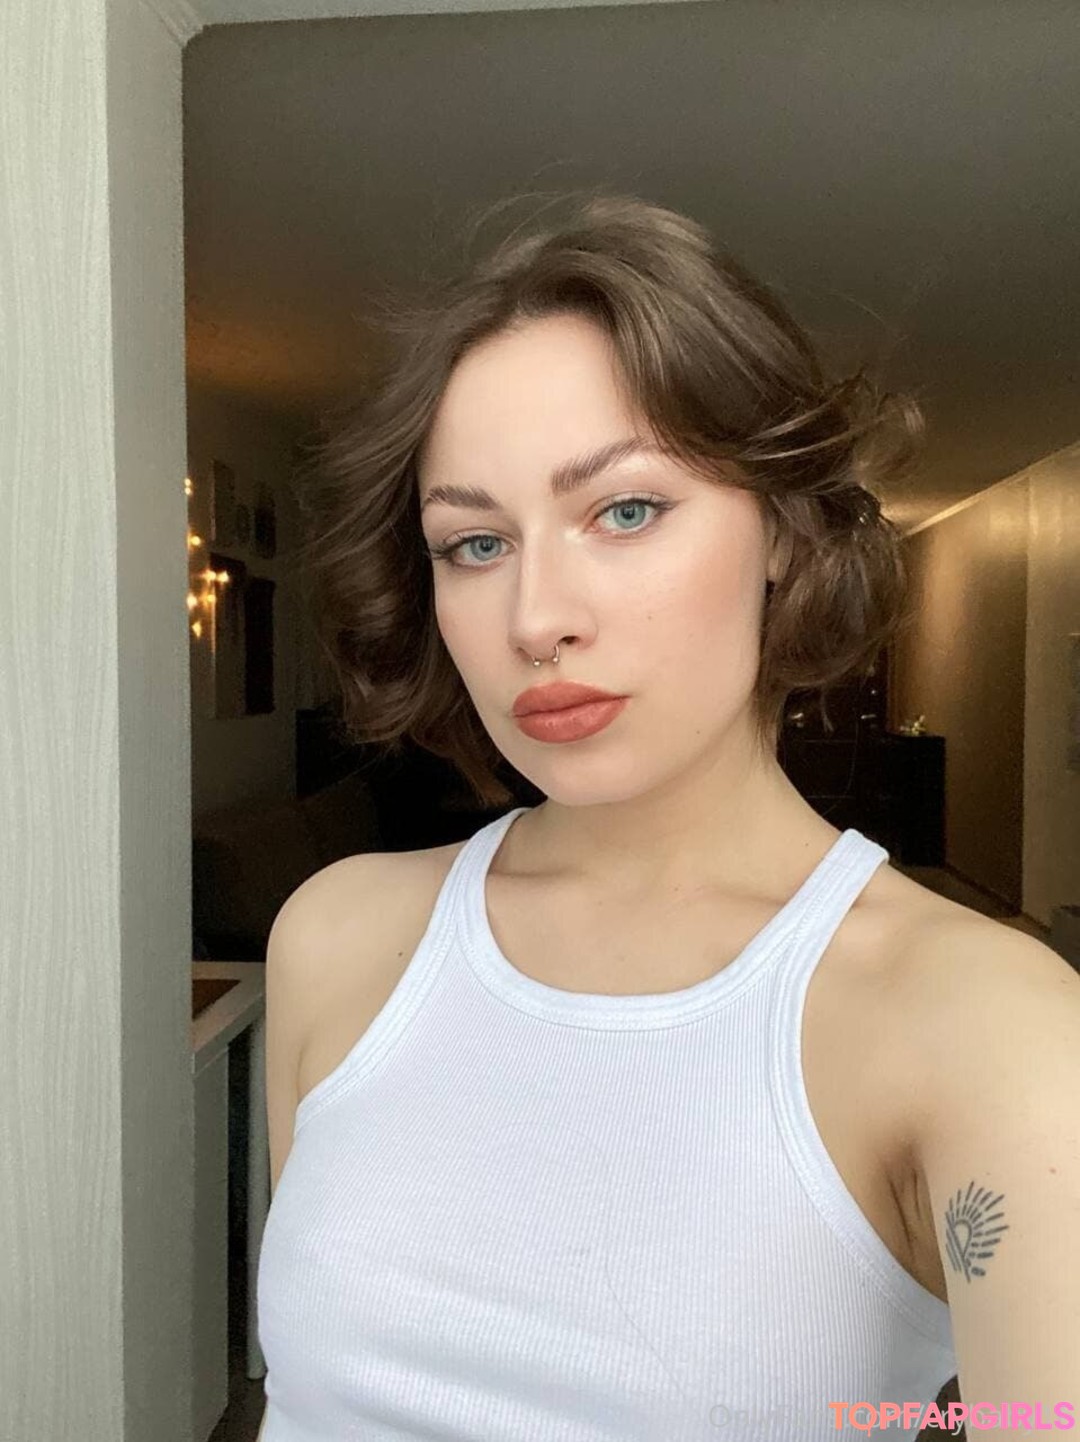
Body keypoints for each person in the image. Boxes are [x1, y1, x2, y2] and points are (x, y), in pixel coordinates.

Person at [254, 192, 1080, 1441]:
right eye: (473, 543)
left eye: (626, 510)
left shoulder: (986, 1026)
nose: (538, 616)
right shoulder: (338, 938)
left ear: (785, 532)